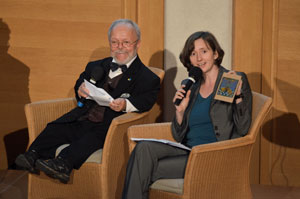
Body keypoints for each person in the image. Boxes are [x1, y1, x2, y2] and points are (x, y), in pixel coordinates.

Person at [15, 19, 161, 184]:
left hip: (108, 126)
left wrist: (125, 104)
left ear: (138, 44)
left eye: (126, 42)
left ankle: (64, 164)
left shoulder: (148, 78)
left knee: (88, 139)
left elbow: (145, 101)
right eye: (115, 42)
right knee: (55, 127)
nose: (120, 47)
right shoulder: (95, 66)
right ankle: (32, 155)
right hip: (82, 118)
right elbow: (81, 82)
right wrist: (80, 90)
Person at [121, 31, 252, 199]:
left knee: (141, 170)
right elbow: (178, 134)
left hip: (212, 155)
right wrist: (180, 112)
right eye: (193, 53)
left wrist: (239, 97)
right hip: (187, 150)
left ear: (216, 54)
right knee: (143, 148)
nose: (199, 58)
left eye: (204, 51)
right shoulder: (191, 85)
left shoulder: (231, 80)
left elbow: (243, 128)